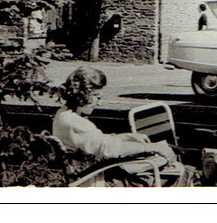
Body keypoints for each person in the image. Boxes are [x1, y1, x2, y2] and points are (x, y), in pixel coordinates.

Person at [52, 66, 184, 184]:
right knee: (176, 175)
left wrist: (125, 137)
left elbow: (98, 142)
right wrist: (150, 147)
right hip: (94, 180)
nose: (99, 103)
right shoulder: (75, 122)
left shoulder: (64, 114)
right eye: (97, 97)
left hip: (87, 174)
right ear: (82, 95)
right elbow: (110, 150)